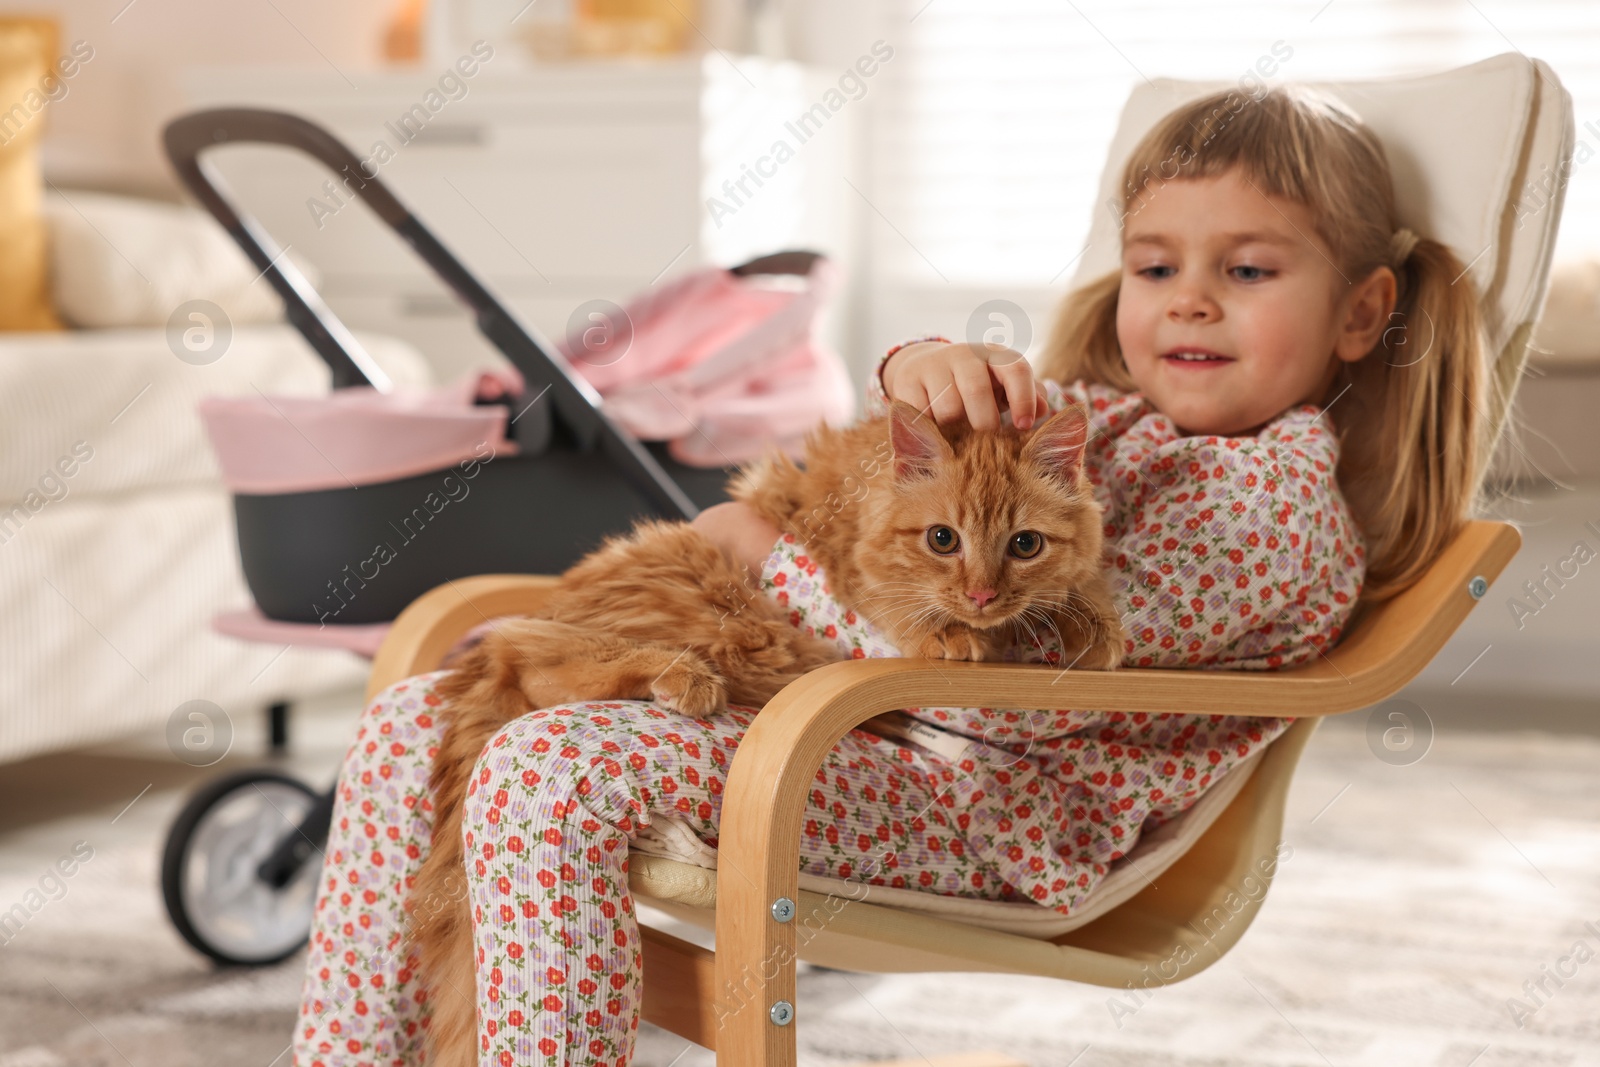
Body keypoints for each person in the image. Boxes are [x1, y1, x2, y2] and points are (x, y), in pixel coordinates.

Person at [292, 83, 1489, 1067]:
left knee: (549, 770)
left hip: (996, 811)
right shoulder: (1105, 424)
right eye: (1154, 265)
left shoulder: (1266, 511)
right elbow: (903, 463)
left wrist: (769, 555)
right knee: (413, 720)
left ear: (1359, 313)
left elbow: (985, 678)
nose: (1188, 298)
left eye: (1246, 272)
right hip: (860, 743)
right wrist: (922, 363)